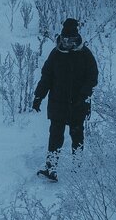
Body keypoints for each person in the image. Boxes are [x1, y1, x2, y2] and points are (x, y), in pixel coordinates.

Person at [32, 17, 99, 181]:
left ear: (76, 38)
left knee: (77, 135)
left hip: (79, 104)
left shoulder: (85, 55)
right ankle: (51, 168)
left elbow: (93, 77)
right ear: (61, 38)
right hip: (58, 104)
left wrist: (83, 95)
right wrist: (39, 96)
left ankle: (77, 168)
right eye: (65, 39)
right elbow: (46, 77)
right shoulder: (55, 54)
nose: (67, 43)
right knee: (55, 136)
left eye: (71, 39)